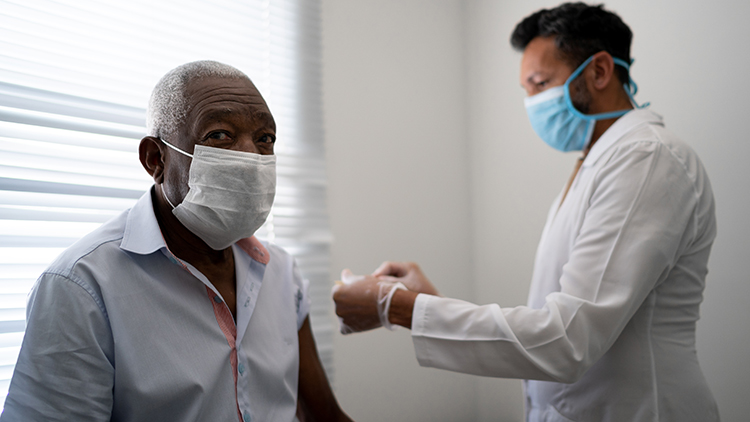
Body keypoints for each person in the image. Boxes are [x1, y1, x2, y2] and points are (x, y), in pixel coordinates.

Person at [332, 3, 719, 421]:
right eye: (527, 90)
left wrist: (398, 306)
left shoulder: (646, 158)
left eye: (540, 83)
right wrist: (425, 302)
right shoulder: (600, 163)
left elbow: (566, 341)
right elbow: (554, 328)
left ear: (600, 71)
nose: (532, 102)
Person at [2, 61, 352, 422]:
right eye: (220, 135)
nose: (251, 155)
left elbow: (322, 413)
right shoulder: (82, 286)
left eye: (265, 138)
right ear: (156, 159)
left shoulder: (280, 271)